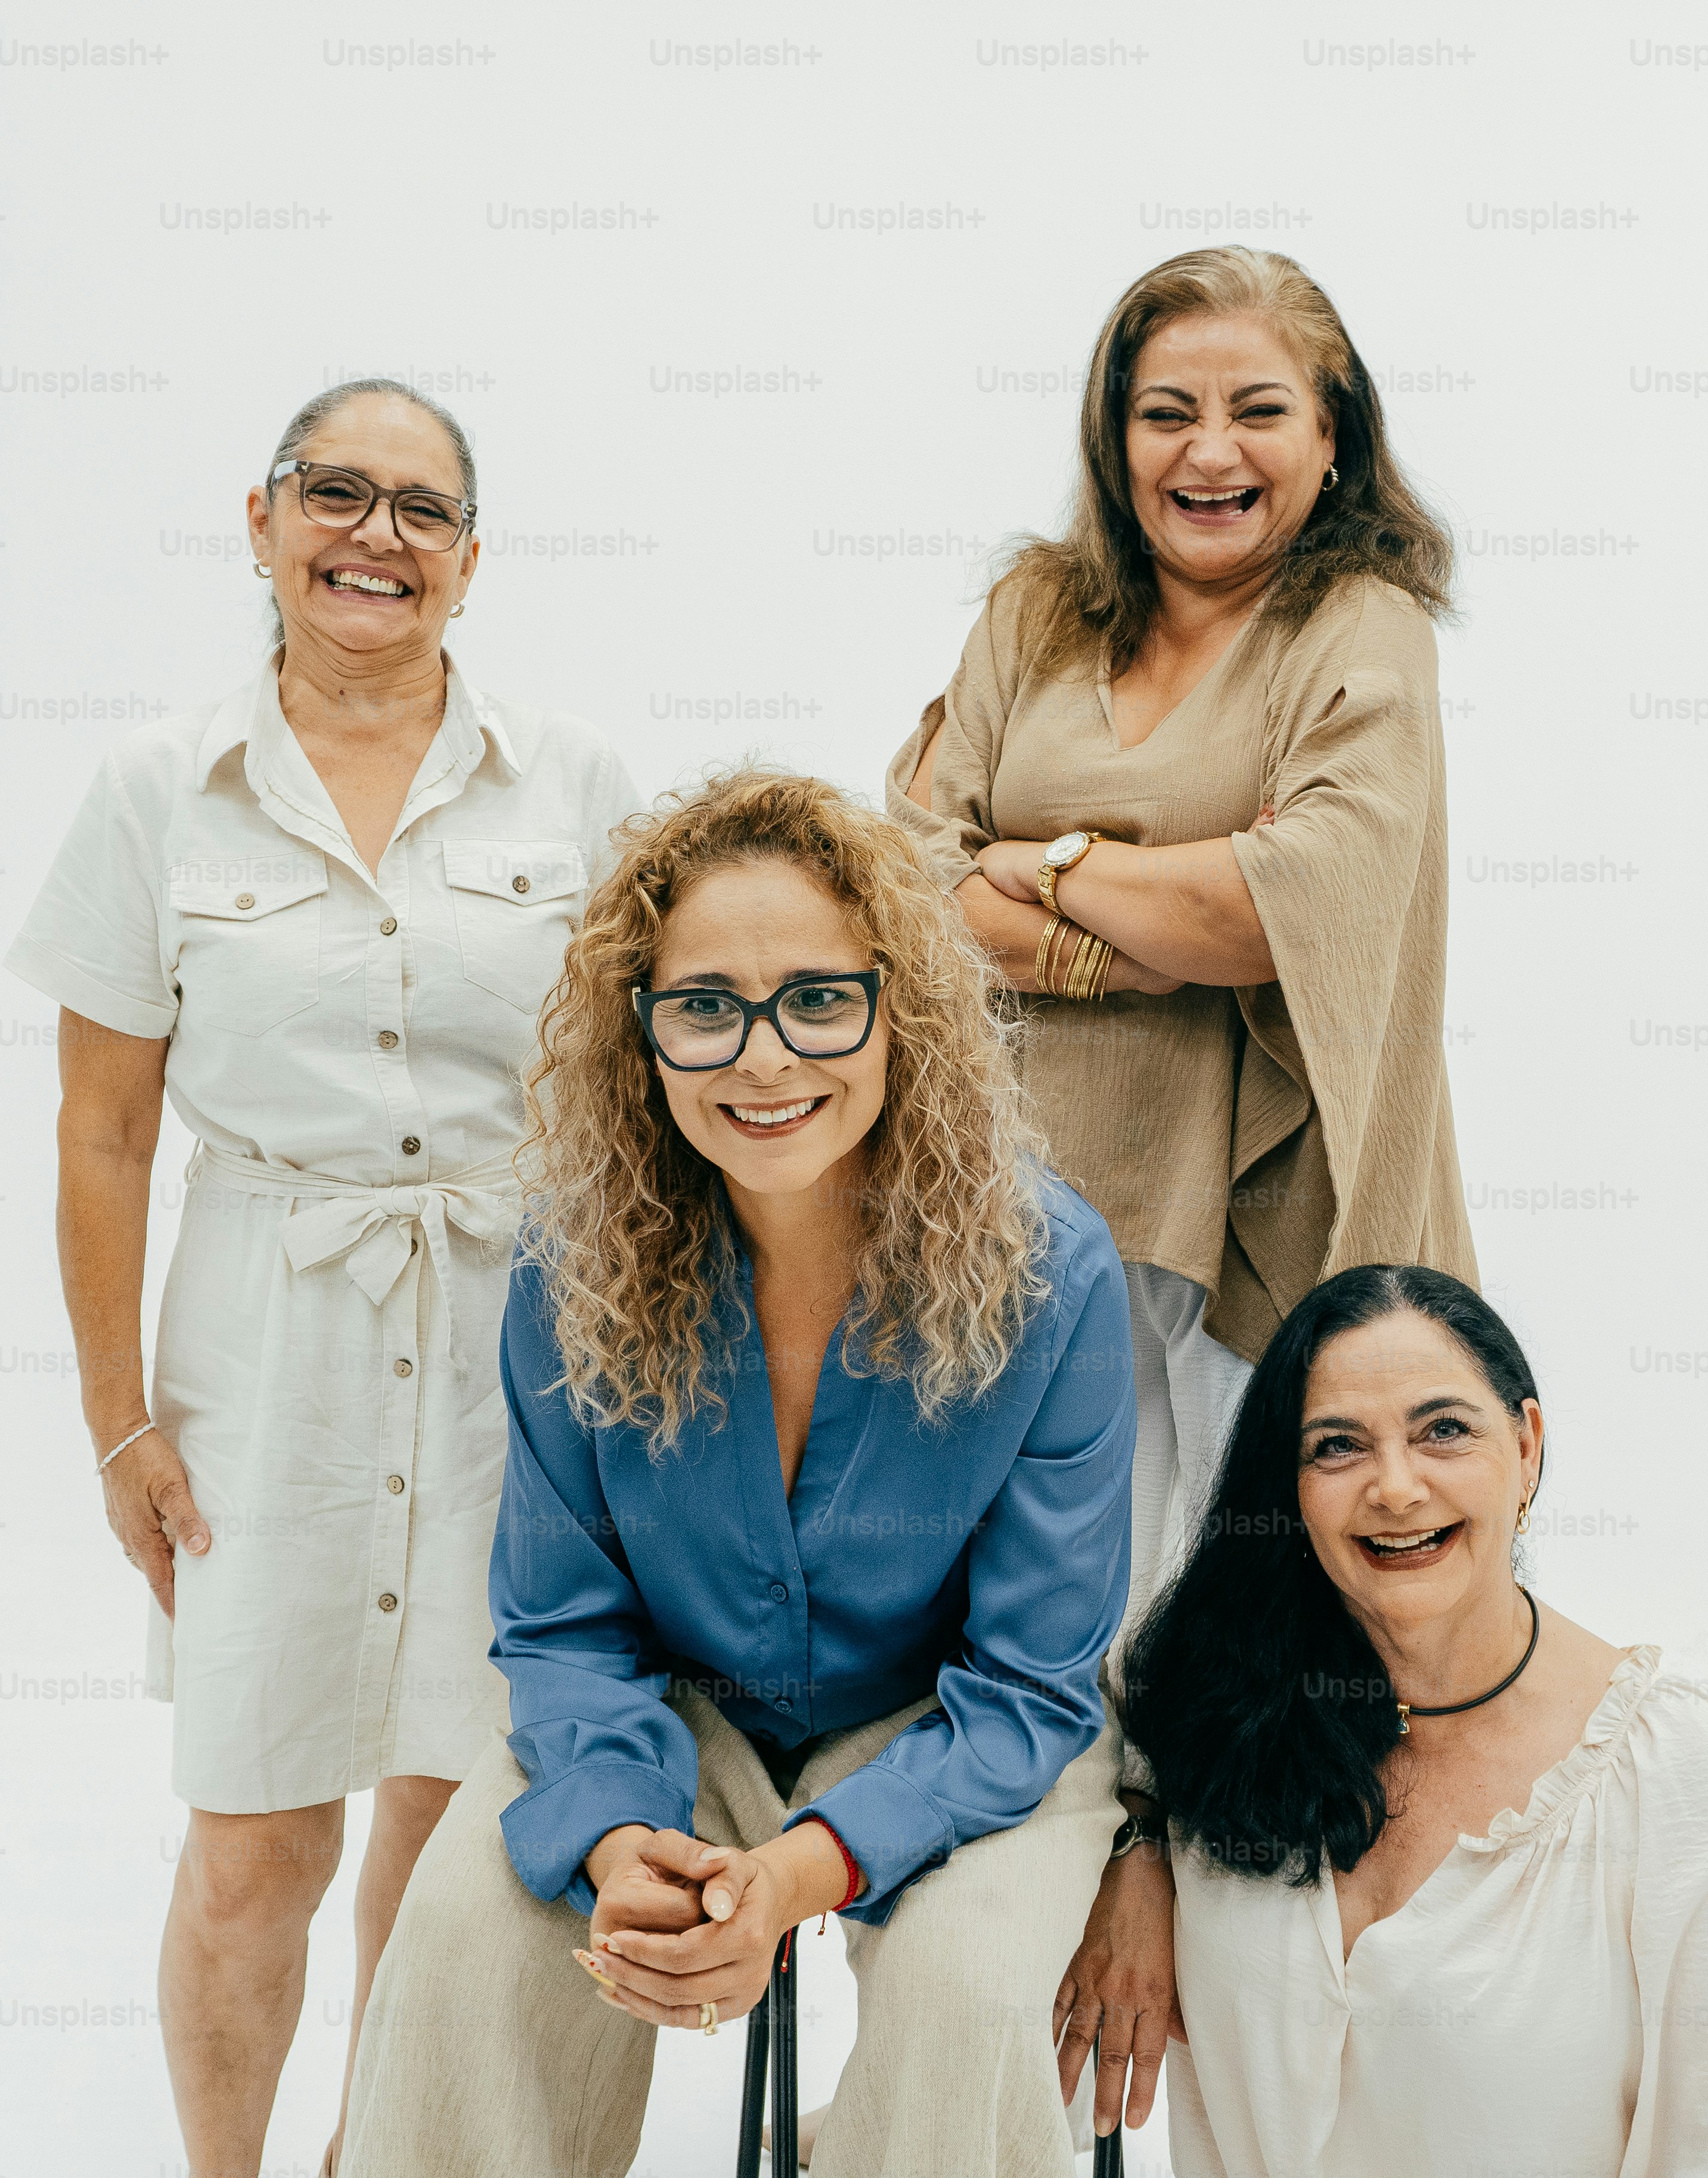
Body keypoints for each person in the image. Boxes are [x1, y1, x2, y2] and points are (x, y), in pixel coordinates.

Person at [4, 377, 641, 2176]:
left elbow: (653, 1074)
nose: (377, 535)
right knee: (253, 1840)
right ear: (265, 519)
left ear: (471, 555)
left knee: (448, 1837)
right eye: (337, 494)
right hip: (263, 1343)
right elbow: (103, 1130)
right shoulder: (159, 788)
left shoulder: (573, 778)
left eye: (420, 508)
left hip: (512, 1348)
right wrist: (118, 1418)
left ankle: (386, 2151)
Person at [337, 770, 1138, 2178]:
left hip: (954, 1729)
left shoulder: (1053, 1277)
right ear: (638, 1035)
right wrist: (618, 1844)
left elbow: (1028, 1689)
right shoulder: (570, 1266)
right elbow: (564, 1629)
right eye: (705, 1006)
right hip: (674, 1721)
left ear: (903, 1008)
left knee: (962, 1997)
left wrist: (794, 1876)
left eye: (818, 999)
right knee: (466, 1936)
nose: (763, 1059)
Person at [886, 244, 1480, 2139]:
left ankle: (1239, 2093)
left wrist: (1034, 870)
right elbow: (900, 877)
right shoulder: (1033, 609)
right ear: (1110, 431)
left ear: (1334, 435)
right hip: (1017, 1232)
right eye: (1166, 409)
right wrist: (1146, 888)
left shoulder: (1357, 627)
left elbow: (1287, 905)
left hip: (1256, 1236)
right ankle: (1003, 2075)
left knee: (1240, 1669)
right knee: (1018, 1663)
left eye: (1256, 408)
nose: (1206, 450)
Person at [1124, 1265, 1708, 2174]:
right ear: (1289, 1490)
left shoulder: (1676, 1778)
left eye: (1443, 1430)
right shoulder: (1229, 1721)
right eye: (1336, 1446)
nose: (1396, 1486)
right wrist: (1134, 1848)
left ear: (1528, 1446)